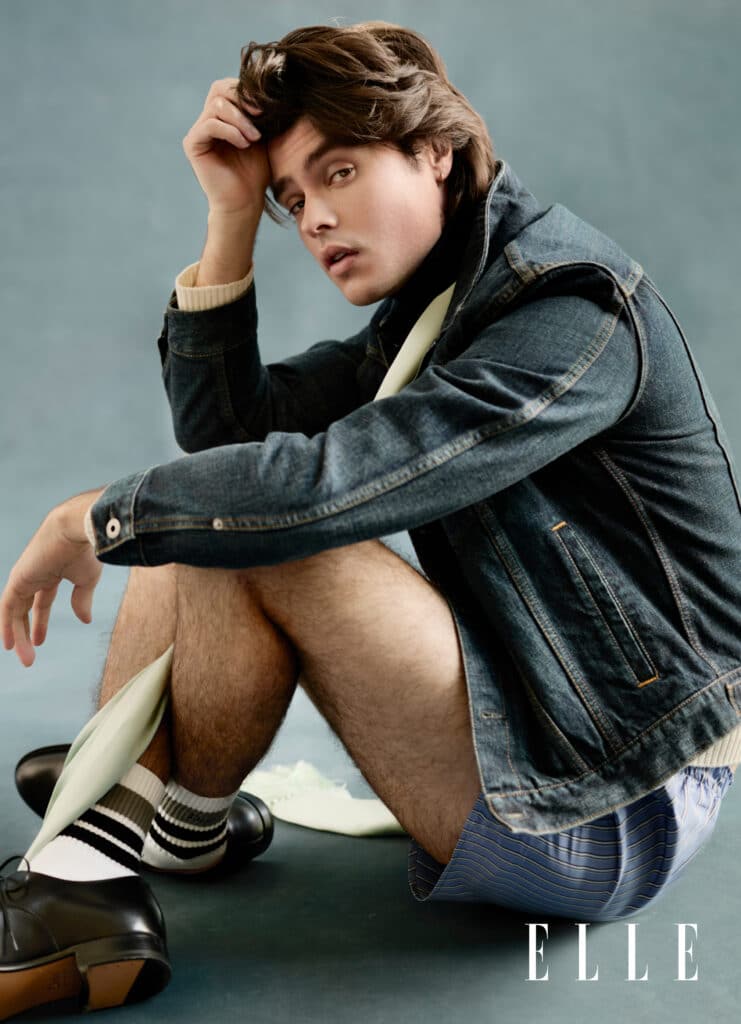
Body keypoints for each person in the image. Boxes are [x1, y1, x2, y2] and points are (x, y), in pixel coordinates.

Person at [1, 19, 740, 1019]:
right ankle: (176, 822)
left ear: (434, 150)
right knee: (214, 504)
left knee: (262, 521)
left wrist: (89, 517)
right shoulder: (439, 311)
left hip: (613, 799)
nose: (313, 219)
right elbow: (226, 443)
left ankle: (84, 872)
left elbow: (312, 492)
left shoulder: (571, 307)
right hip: (538, 731)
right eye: (292, 198)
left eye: (339, 173)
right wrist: (231, 216)